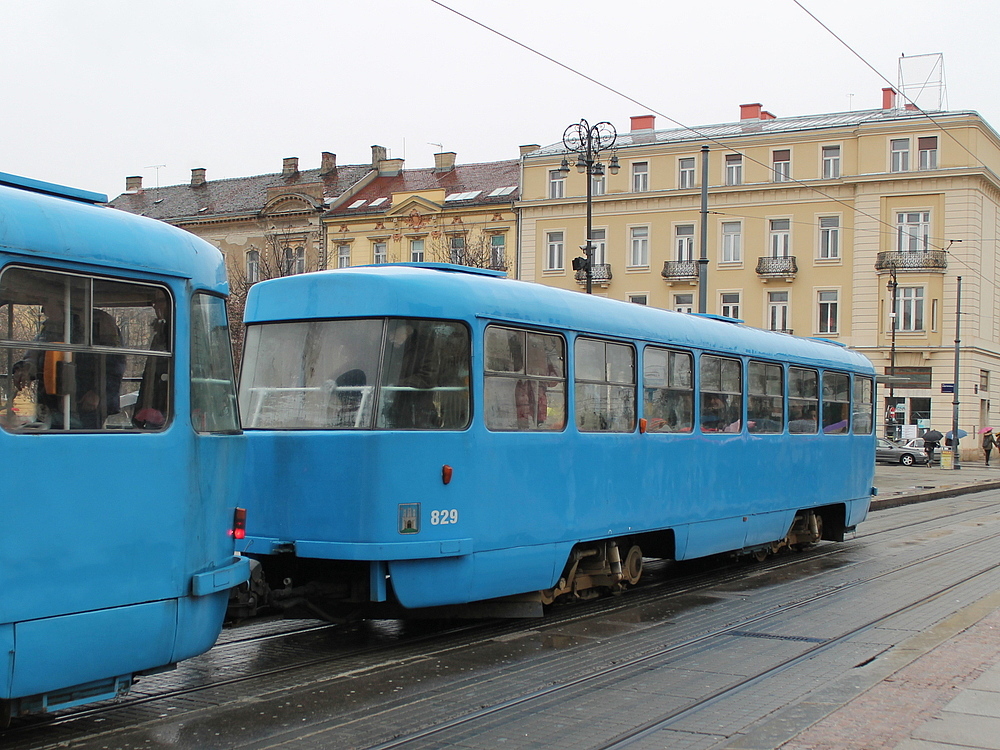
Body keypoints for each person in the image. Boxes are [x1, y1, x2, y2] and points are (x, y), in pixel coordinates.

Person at [12, 296, 124, 429]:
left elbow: (115, 363)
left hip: (86, 403)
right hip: (51, 402)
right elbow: (36, 354)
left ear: (63, 302)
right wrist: (25, 369)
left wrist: (99, 392)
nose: (43, 309)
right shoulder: (49, 327)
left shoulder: (97, 323)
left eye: (47, 300)